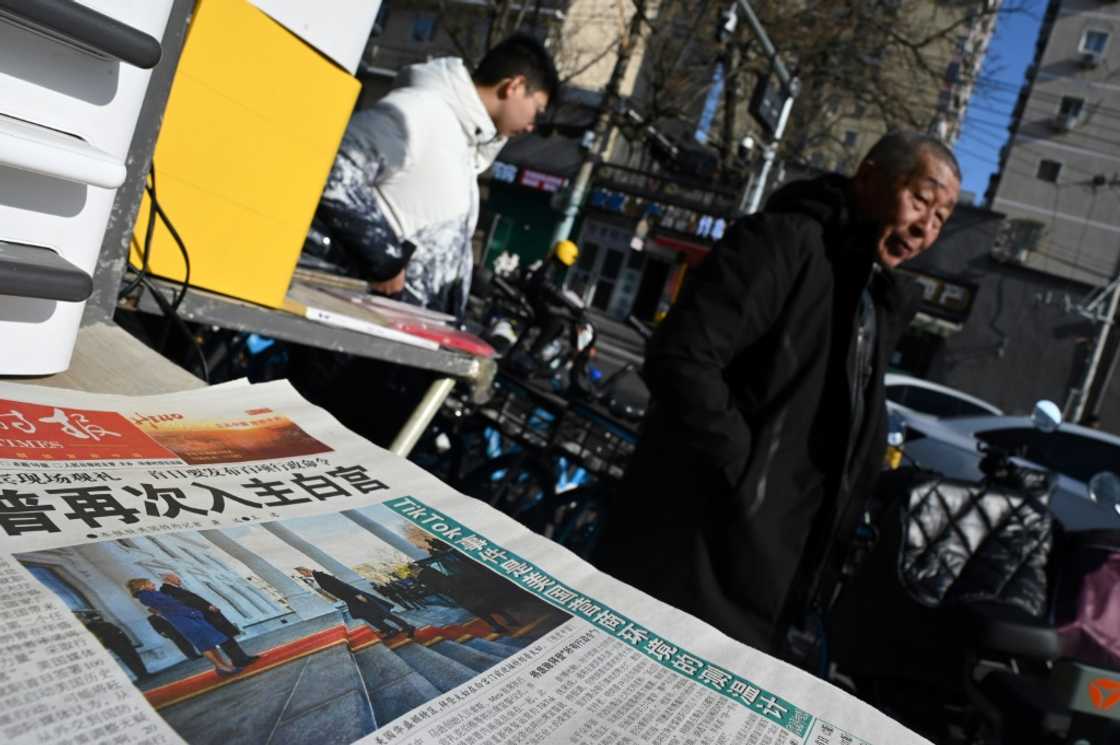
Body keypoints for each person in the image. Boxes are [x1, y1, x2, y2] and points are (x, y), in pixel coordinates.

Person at [593, 131, 961, 654]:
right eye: (920, 199)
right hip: (696, 555)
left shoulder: (874, 301)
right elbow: (684, 357)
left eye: (941, 218)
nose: (926, 227)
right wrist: (745, 481)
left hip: (770, 580)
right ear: (870, 176)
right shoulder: (784, 243)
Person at [316, 34, 558, 319]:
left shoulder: (465, 142)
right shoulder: (422, 112)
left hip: (393, 334)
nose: (532, 126)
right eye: (537, 112)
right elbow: (334, 165)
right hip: (359, 328)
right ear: (515, 86)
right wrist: (384, 259)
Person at [127, 579, 241, 676]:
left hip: (189, 617)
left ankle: (223, 664)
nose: (153, 584)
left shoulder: (152, 594)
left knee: (210, 642)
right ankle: (220, 666)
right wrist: (190, 612)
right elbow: (170, 606)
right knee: (203, 644)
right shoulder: (145, 596)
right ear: (142, 586)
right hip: (183, 620)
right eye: (150, 583)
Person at [159, 573, 259, 668]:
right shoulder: (167, 590)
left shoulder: (174, 589)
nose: (179, 579)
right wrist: (207, 607)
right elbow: (188, 603)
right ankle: (239, 660)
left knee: (227, 637)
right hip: (204, 616)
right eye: (176, 578)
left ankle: (242, 658)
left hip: (208, 614)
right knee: (224, 638)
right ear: (168, 579)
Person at [295, 567, 416, 638]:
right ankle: (389, 629)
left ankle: (407, 627)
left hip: (355, 596)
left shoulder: (320, 575)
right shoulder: (316, 578)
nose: (302, 574)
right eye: (301, 574)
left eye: (302, 572)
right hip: (350, 598)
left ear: (305, 570)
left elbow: (340, 585)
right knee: (367, 615)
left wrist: (357, 595)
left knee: (383, 613)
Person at [79, 611, 149, 680]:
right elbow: (103, 637)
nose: (98, 618)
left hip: (124, 643)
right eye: (95, 617)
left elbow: (119, 632)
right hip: (116, 645)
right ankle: (141, 676)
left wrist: (128, 641)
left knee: (135, 658)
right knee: (129, 660)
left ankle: (145, 674)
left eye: (97, 616)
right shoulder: (93, 627)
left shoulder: (105, 624)